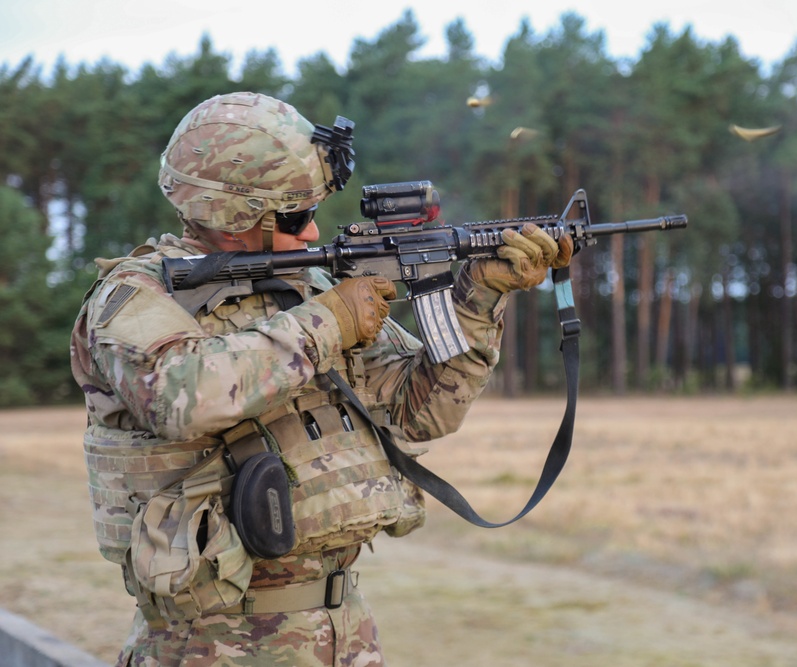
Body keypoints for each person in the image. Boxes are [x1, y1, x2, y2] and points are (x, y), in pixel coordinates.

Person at [70, 91, 572, 666]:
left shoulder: (307, 288)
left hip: (342, 634)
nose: (312, 233)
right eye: (294, 216)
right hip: (210, 645)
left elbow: (423, 410)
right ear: (235, 214)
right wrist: (328, 322)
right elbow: (182, 396)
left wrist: (479, 297)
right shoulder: (137, 296)